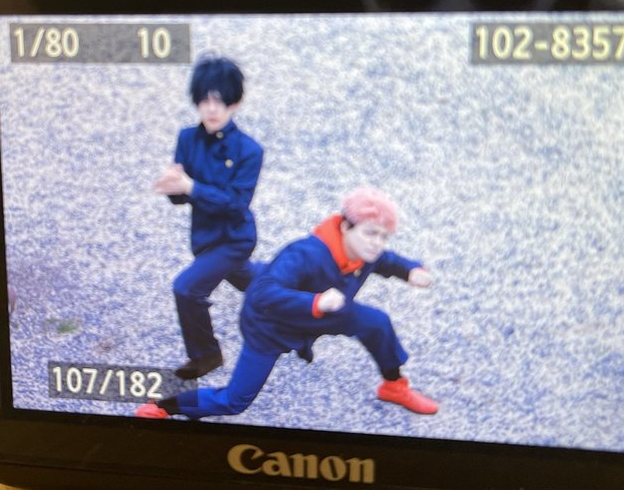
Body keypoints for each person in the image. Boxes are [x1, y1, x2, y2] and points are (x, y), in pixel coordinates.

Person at [137, 187, 438, 420]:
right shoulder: (305, 254)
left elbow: (387, 260)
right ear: (346, 227)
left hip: (324, 313)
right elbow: (262, 294)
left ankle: (393, 385)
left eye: (384, 236)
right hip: (270, 325)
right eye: (371, 233)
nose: (377, 243)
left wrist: (410, 270)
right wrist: (316, 302)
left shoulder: (365, 253)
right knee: (235, 401)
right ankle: (165, 405)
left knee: (376, 322)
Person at [152, 54, 263, 380]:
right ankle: (292, 286)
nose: (212, 109)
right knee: (255, 280)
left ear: (235, 104)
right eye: (205, 101)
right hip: (204, 238)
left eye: (220, 101)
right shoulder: (187, 139)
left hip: (234, 238)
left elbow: (236, 204)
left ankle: (207, 355)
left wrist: (191, 186)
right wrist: (172, 186)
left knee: (186, 289)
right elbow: (180, 197)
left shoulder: (250, 151)